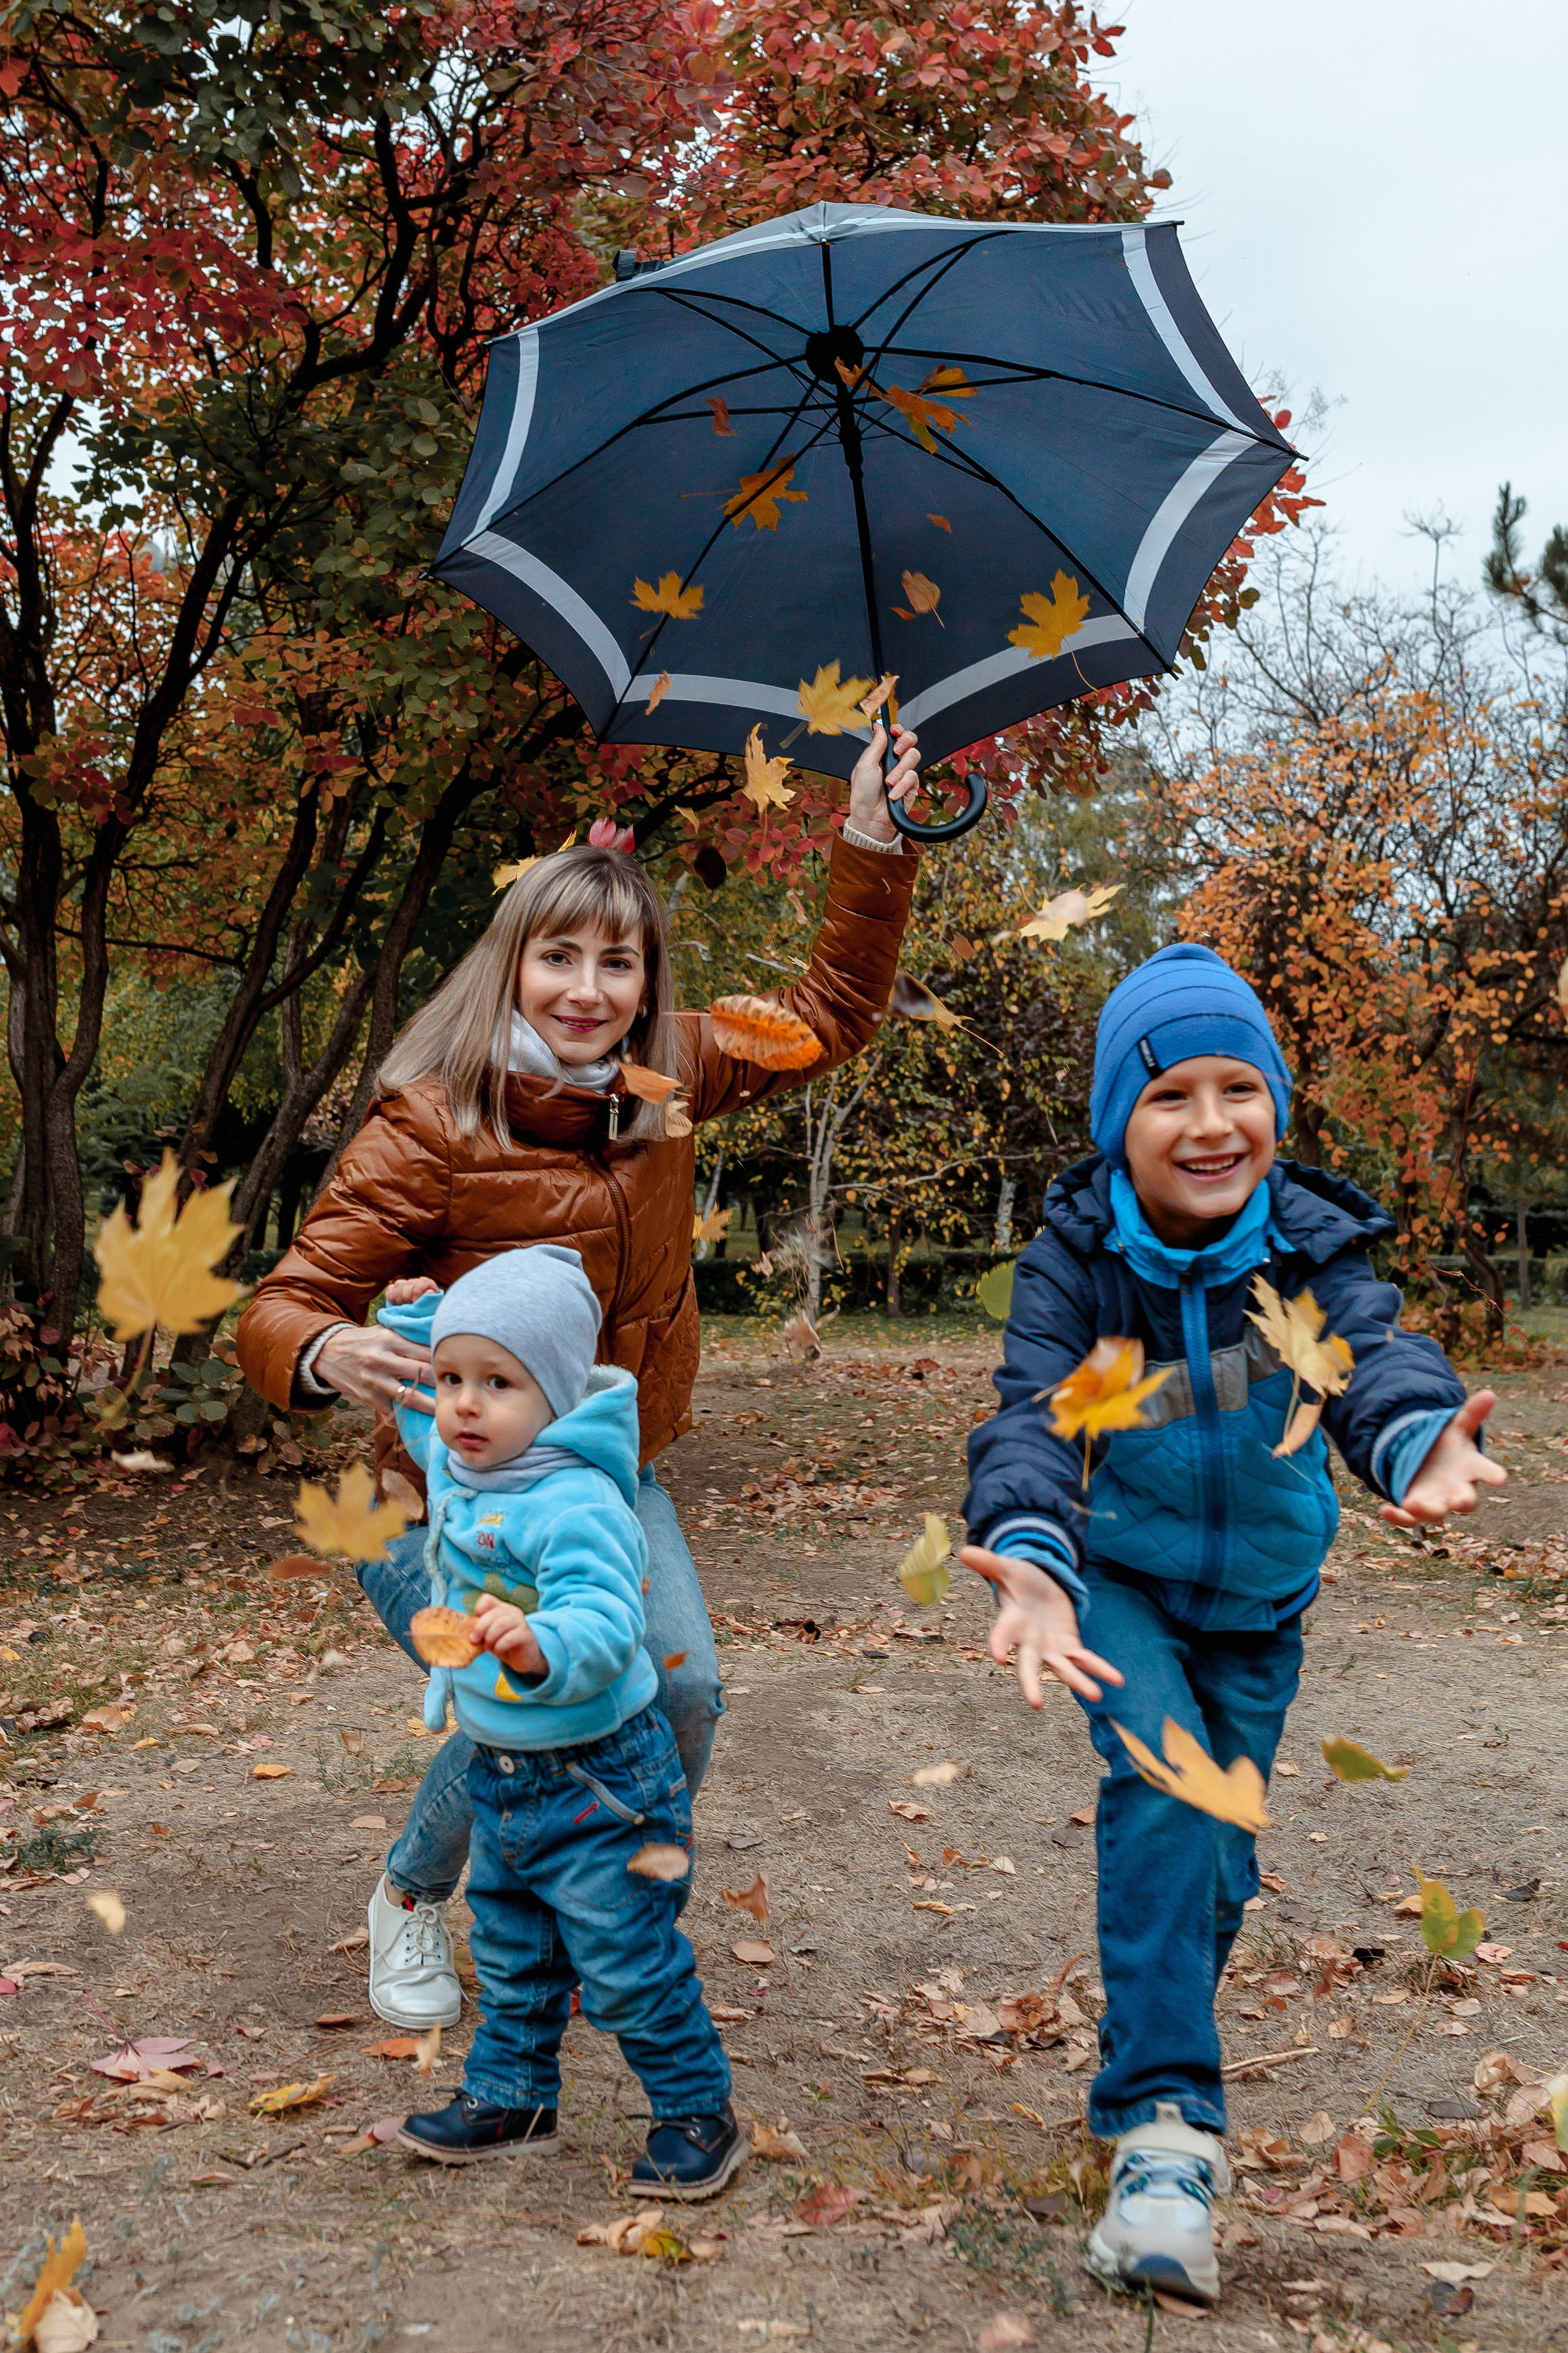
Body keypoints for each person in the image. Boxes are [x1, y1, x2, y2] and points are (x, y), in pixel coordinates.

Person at [235, 724, 922, 2032]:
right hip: (434, 1492)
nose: (586, 987)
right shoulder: (431, 1123)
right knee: (533, 1702)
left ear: (646, 981)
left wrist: (872, 831)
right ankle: (407, 1894)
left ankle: (569, 1901)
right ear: (514, 963)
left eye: (617, 962)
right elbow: (284, 1303)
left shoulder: (660, 1084)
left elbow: (828, 1018)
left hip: (602, 1474)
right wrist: (323, 1350)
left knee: (674, 1688)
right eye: (559, 955)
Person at [960, 943, 1505, 2307]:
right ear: (1113, 1126)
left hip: (1261, 1608)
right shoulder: (1082, 1274)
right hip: (1120, 1588)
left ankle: (1153, 2051)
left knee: (1211, 1871)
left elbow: (1368, 1361)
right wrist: (1031, 1552)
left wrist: (1412, 1441)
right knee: (1168, 1794)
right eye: (1167, 1098)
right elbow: (1033, 1421)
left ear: (1272, 1103)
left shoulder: (1307, 1253)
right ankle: (1163, 2135)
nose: (1209, 1124)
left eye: (1236, 1088)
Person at [375, 1247, 741, 2191]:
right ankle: (513, 2092)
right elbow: (419, 1407)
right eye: (454, 1378)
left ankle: (699, 2109)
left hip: (600, 1780)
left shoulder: (577, 1496)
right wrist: (417, 1322)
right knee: (512, 1947)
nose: (462, 1403)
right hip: (505, 1775)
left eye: (495, 1381)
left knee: (624, 1959)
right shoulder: (468, 1461)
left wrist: (539, 1642)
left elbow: (610, 1617)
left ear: (558, 1394)